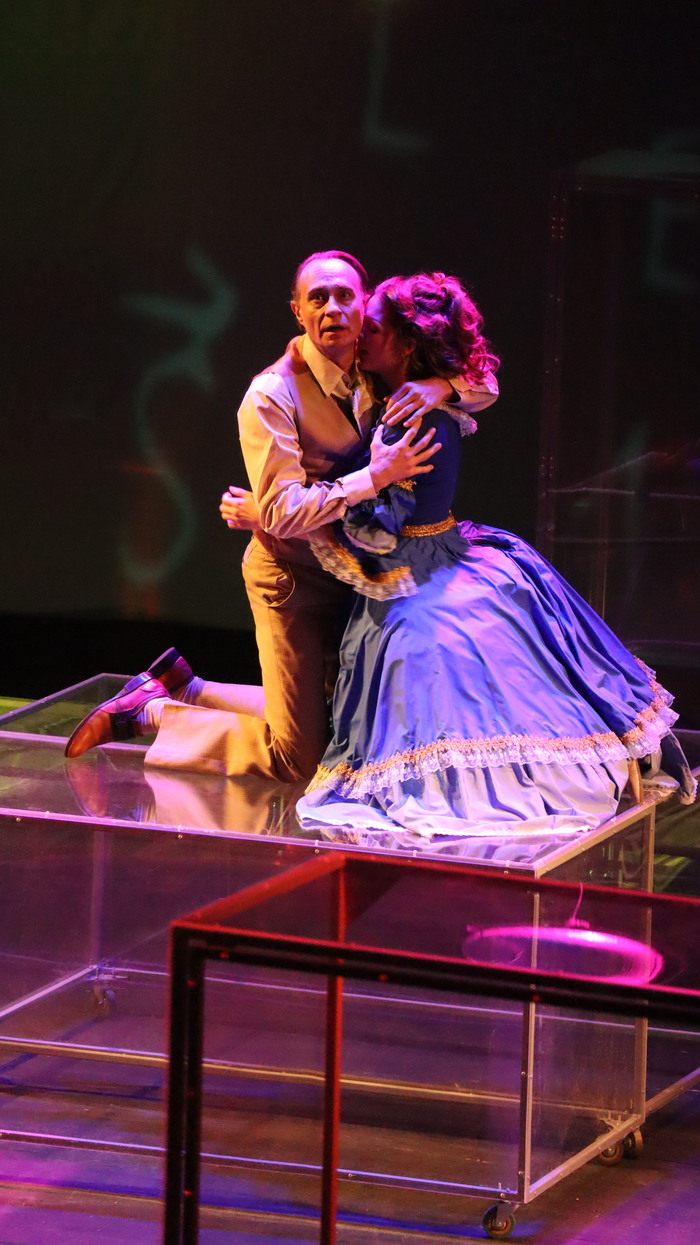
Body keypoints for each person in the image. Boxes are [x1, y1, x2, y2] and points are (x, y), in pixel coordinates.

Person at [292, 271, 696, 847]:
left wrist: (288, 515)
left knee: (419, 660)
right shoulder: (407, 394)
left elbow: (377, 527)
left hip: (416, 558)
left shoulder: (409, 415)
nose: (361, 335)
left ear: (405, 345)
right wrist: (443, 385)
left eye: (374, 328)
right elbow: (478, 382)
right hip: (444, 545)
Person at [65, 251, 498, 780]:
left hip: (354, 574)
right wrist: (371, 477)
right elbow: (282, 510)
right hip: (292, 580)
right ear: (298, 311)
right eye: (318, 298)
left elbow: (484, 382)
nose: (333, 309)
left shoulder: (374, 362)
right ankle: (151, 712)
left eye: (345, 296)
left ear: (363, 304)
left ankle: (188, 687)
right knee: (302, 760)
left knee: (341, 722)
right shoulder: (271, 393)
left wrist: (441, 386)